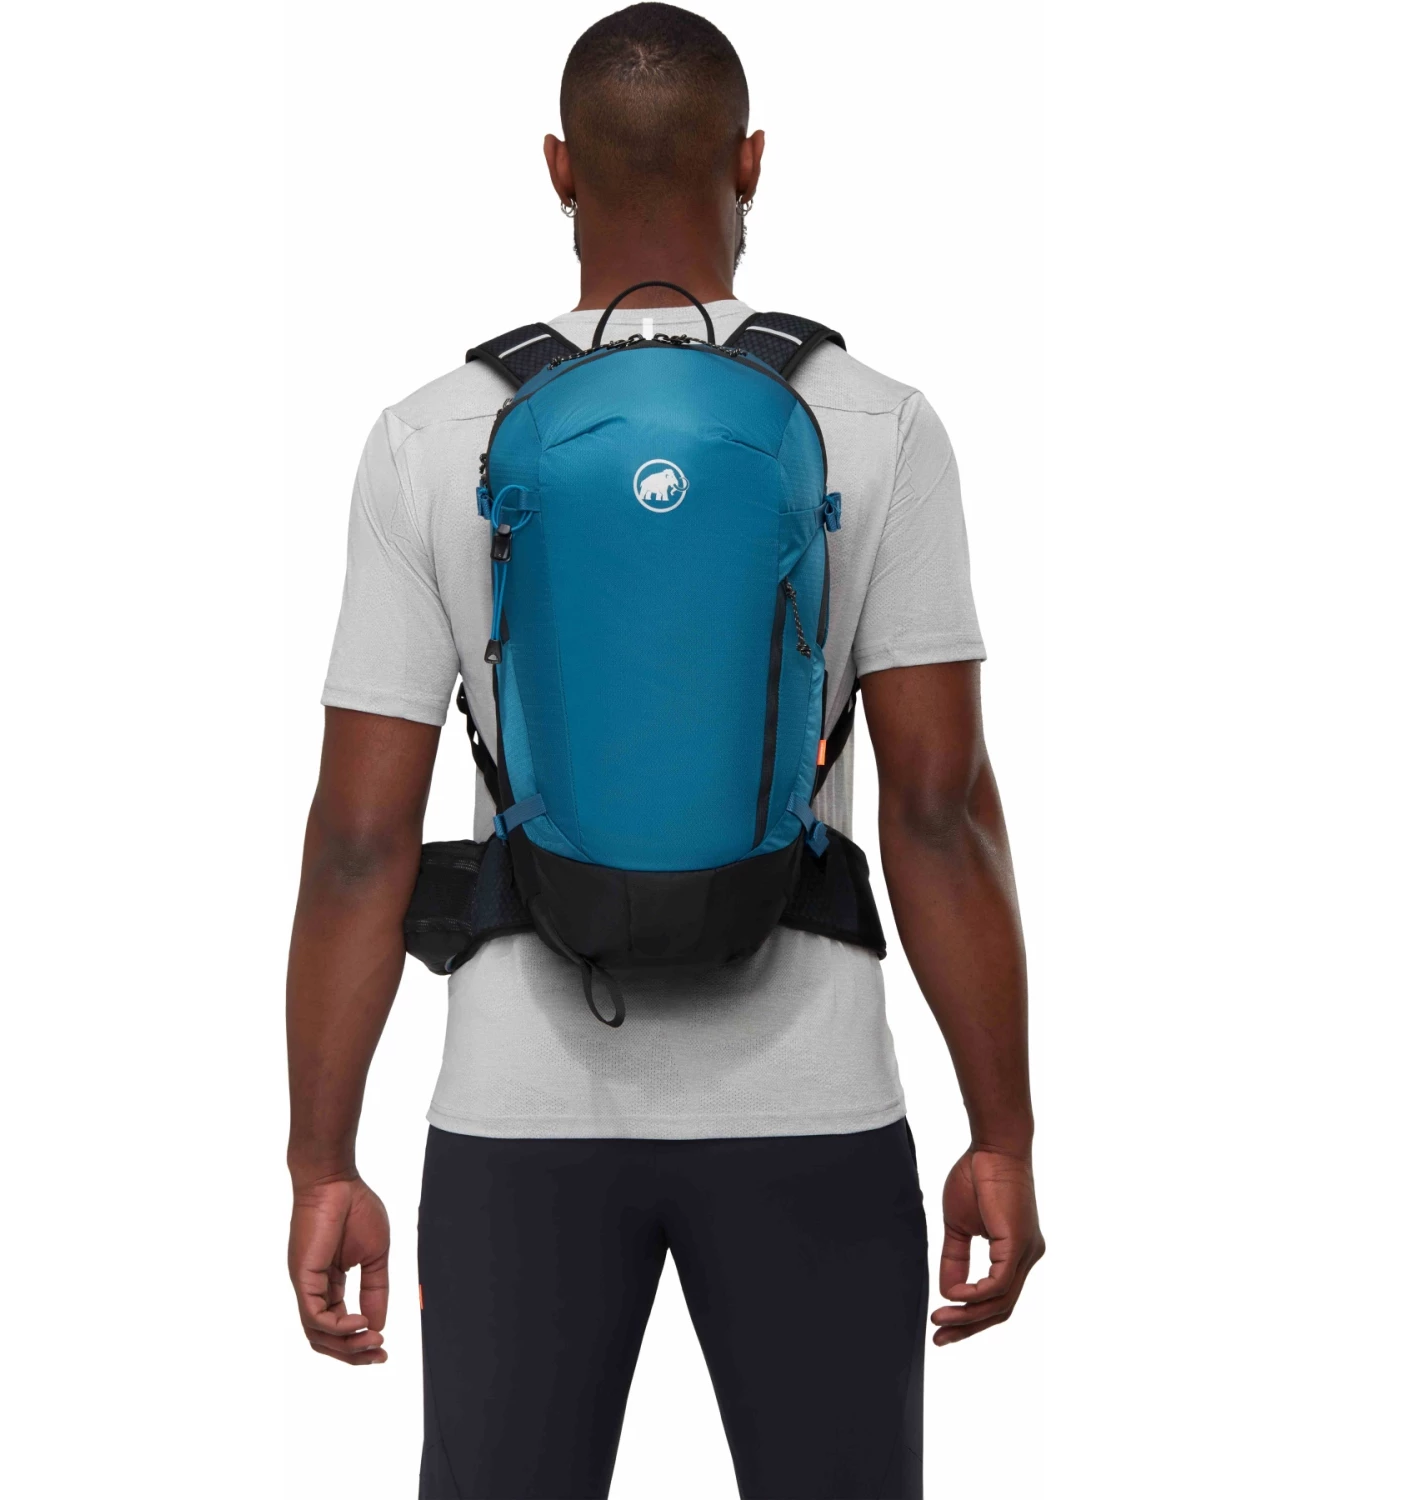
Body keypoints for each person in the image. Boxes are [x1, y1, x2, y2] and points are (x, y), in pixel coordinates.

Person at [285, 5, 1043, 1495]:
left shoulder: (432, 436)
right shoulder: (877, 424)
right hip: (814, 1106)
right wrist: (1001, 1134)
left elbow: (360, 842)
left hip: (516, 1113)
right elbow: (938, 812)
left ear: (557, 168)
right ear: (750, 162)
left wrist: (323, 1161)